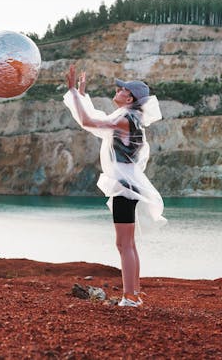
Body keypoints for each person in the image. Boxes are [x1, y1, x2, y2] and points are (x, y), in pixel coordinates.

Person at [64, 65, 166, 307]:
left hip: (123, 186)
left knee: (123, 244)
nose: (118, 91)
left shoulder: (123, 117)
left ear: (129, 98)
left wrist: (73, 93)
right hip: (129, 185)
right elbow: (95, 122)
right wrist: (81, 96)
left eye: (121, 90)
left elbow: (89, 120)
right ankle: (134, 293)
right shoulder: (134, 118)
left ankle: (130, 297)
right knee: (128, 243)